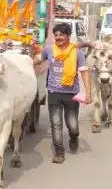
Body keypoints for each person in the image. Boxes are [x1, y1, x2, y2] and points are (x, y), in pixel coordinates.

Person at [34, 23, 92, 164]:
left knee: (72, 125)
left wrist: (88, 93)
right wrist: (27, 61)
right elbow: (37, 60)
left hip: (71, 93)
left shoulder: (77, 52)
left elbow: (84, 73)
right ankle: (59, 152)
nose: (58, 37)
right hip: (54, 92)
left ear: (68, 36)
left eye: (62, 34)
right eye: (56, 35)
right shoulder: (49, 50)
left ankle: (74, 137)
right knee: (56, 123)